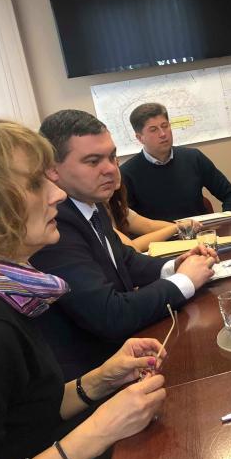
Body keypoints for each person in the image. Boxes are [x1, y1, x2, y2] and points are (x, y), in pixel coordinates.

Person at [0, 118, 167, 459]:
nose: (57, 194)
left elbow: (24, 414)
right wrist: (98, 431)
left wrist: (98, 380)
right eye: (35, 183)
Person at [31, 110, 216, 380]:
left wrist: (174, 265)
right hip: (97, 375)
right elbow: (110, 315)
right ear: (52, 169)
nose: (110, 169)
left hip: (127, 356)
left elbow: (125, 260)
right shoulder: (53, 224)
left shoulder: (90, 204)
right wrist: (184, 281)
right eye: (93, 161)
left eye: (111, 157)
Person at [120, 102, 231, 221]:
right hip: (161, 234)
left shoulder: (193, 158)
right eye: (153, 130)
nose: (163, 134)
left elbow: (230, 195)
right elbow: (125, 221)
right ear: (140, 138)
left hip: (201, 232)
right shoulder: (127, 173)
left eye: (165, 126)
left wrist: (226, 224)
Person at [106, 170, 200, 253]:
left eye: (114, 161)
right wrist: (176, 227)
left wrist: (184, 227)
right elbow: (131, 247)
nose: (111, 169)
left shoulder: (114, 205)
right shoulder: (98, 215)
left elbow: (148, 225)